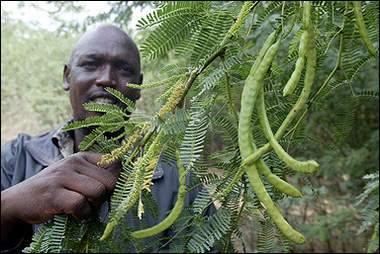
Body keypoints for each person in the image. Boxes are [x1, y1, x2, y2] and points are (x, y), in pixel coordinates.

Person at [1, 24, 206, 253]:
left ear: (139, 85)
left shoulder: (182, 181)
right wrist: (7, 207)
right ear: (67, 76)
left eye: (124, 69)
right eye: (90, 64)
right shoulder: (14, 160)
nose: (107, 79)